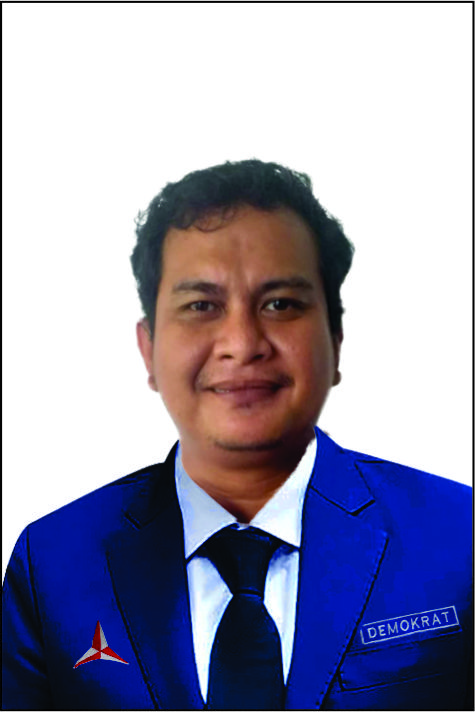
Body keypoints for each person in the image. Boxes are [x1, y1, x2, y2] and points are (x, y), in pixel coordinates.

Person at [2, 159, 472, 711]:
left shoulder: (460, 537)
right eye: (201, 306)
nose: (243, 343)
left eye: (280, 304)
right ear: (148, 349)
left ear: (335, 338)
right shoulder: (52, 564)